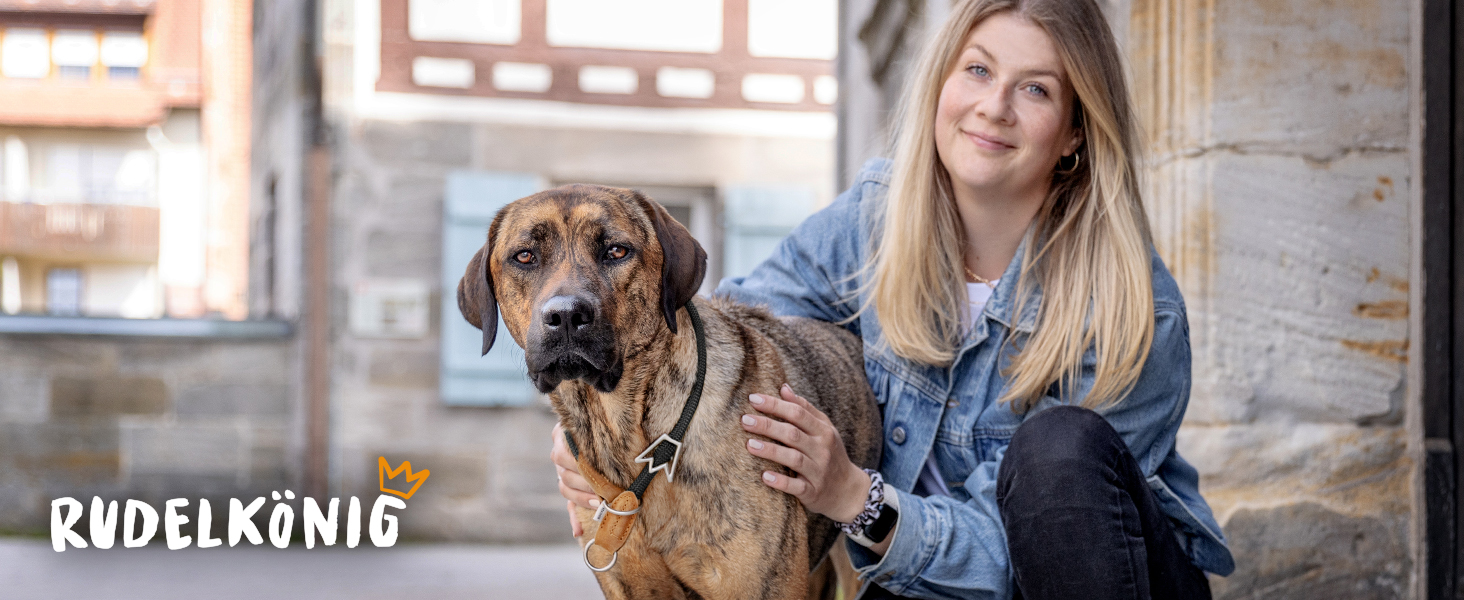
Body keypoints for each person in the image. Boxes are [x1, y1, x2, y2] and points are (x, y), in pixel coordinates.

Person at [552, 0, 1234, 597]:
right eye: (978, 70)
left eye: (1036, 90)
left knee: (1054, 450)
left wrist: (854, 496)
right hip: (922, 578)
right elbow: (716, 336)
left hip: (1100, 580)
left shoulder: (1129, 302)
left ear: (1076, 133)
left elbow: (1012, 556)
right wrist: (600, 443)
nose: (993, 106)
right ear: (941, 83)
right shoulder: (873, 222)